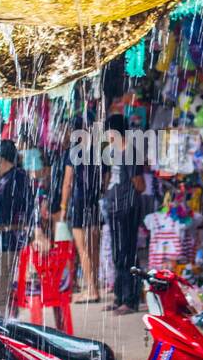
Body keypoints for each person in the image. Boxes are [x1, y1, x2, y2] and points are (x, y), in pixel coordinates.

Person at [102, 114, 146, 314]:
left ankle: (130, 299)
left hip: (126, 209)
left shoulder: (131, 152)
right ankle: (120, 296)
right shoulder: (114, 151)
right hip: (115, 208)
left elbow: (139, 183)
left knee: (126, 253)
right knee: (118, 253)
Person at [0, 139, 31, 317]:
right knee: (0, 293)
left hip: (6, 244)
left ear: (1, 159)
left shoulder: (16, 179)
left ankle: (3, 334)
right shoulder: (5, 180)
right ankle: (5, 330)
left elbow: (23, 212)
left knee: (1, 294)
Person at [62, 120, 104, 303]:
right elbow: (105, 177)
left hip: (79, 203)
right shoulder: (97, 151)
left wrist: (63, 207)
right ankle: (94, 287)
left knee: (83, 250)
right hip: (94, 202)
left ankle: (91, 290)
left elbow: (67, 183)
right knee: (94, 248)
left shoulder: (73, 152)